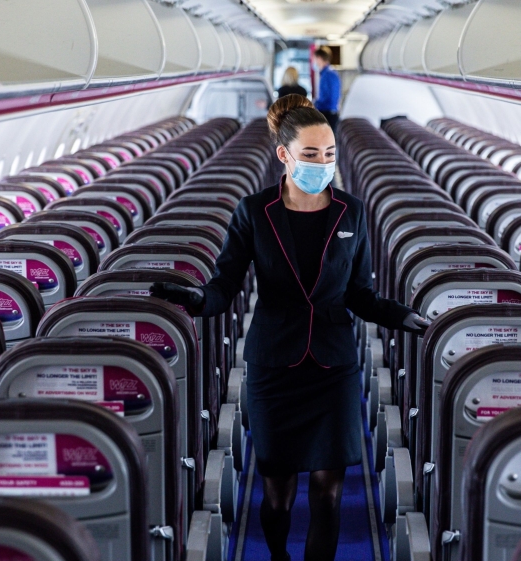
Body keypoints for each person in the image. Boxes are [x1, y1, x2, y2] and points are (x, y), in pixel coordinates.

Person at [151, 94, 429, 561]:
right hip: (274, 366)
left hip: (333, 368)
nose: (323, 163)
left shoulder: (351, 212)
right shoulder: (254, 211)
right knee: (277, 497)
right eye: (311, 154)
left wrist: (403, 316)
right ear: (284, 154)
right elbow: (225, 285)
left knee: (328, 495)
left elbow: (360, 295)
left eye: (329, 154)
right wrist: (196, 299)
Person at [312, 47, 341, 132]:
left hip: (328, 114)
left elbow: (329, 97)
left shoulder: (328, 75)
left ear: (319, 58)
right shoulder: (330, 73)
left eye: (315, 59)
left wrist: (314, 104)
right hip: (329, 113)